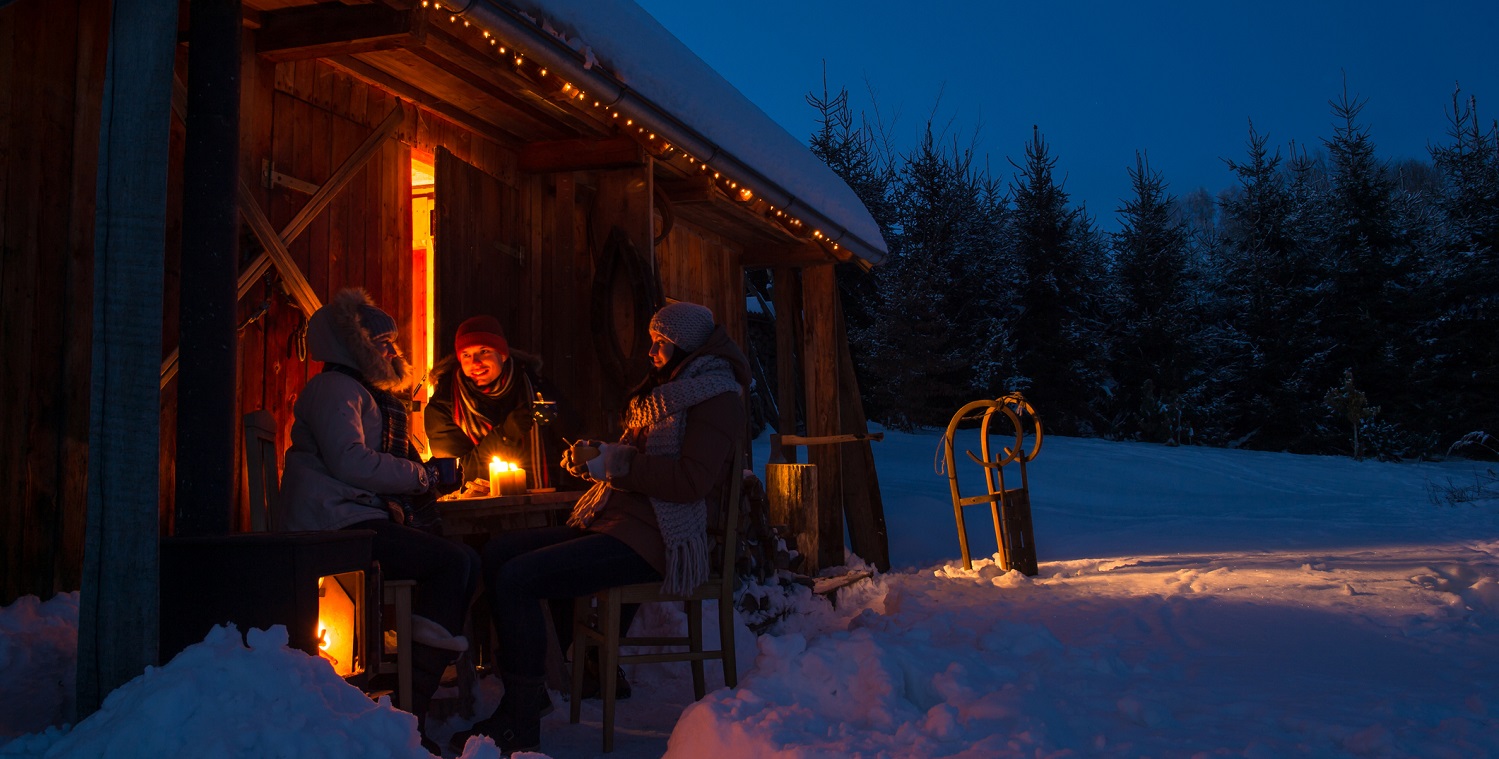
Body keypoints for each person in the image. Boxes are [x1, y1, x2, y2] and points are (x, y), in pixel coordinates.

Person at [454, 302, 749, 755]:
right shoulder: (675, 391)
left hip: (661, 538)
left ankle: (520, 716)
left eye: (660, 343)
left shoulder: (715, 395)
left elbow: (690, 481)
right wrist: (600, 456)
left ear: (683, 346)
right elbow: (643, 463)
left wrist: (618, 464)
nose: (651, 351)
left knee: (517, 578)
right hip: (623, 523)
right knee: (499, 552)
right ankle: (533, 690)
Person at [276, 288, 481, 753]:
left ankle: (413, 705)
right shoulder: (335, 389)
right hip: (332, 526)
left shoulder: (357, 391)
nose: (391, 351)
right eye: (381, 343)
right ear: (354, 344)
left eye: (392, 343)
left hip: (352, 517)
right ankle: (413, 715)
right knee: (453, 563)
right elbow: (351, 461)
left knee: (465, 559)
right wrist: (421, 475)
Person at [424, 315, 565, 493]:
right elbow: (457, 475)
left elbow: (567, 442)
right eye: (466, 355)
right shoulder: (443, 406)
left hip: (543, 506)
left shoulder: (534, 389)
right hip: (479, 512)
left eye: (484, 351)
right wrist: (506, 434)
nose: (475, 363)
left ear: (502, 355)